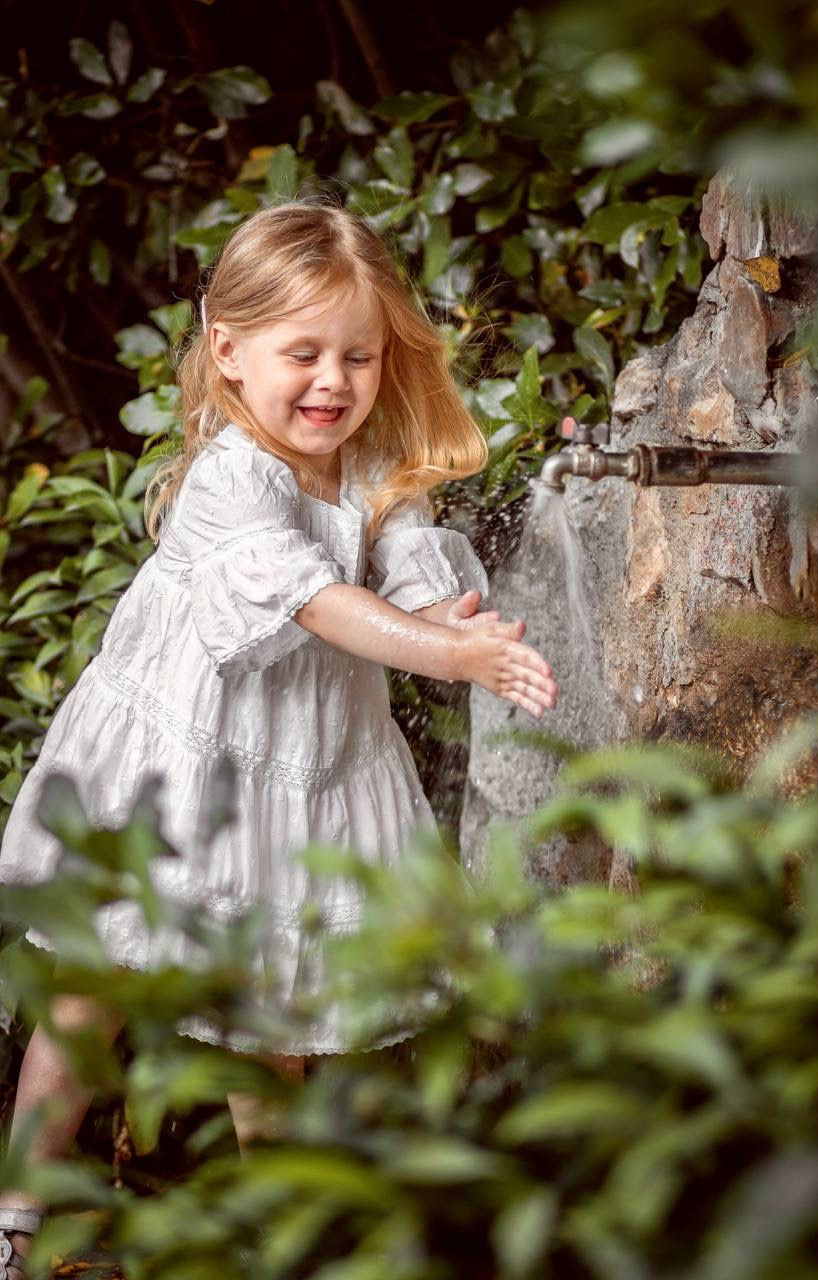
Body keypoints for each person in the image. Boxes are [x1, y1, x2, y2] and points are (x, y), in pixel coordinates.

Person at [0, 198, 558, 1278]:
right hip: (176, 772)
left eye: (358, 355)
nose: (333, 381)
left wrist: (452, 624)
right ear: (230, 351)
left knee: (278, 1012)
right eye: (303, 353)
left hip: (298, 778)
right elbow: (320, 603)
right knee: (89, 988)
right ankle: (15, 1213)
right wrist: (443, 657)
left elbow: (398, 580)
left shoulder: (366, 470)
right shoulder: (231, 478)